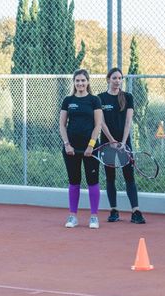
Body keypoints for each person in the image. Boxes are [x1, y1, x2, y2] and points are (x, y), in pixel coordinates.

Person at [98, 67, 145, 224]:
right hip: (107, 144)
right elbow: (101, 122)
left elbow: (128, 122)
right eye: (114, 78)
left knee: (129, 176)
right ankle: (114, 210)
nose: (117, 81)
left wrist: (123, 143)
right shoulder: (100, 98)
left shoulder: (127, 97)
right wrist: (111, 141)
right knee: (110, 177)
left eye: (120, 78)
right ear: (108, 79)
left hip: (124, 143)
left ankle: (136, 211)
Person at [59, 69, 103, 229]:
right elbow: (62, 125)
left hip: (90, 149)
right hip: (71, 149)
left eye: (83, 80)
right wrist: (67, 144)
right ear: (74, 82)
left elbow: (98, 125)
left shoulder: (94, 100)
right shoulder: (67, 100)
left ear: (88, 82)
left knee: (92, 182)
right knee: (73, 181)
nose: (80, 83)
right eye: (77, 81)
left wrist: (91, 145)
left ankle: (94, 217)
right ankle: (72, 216)